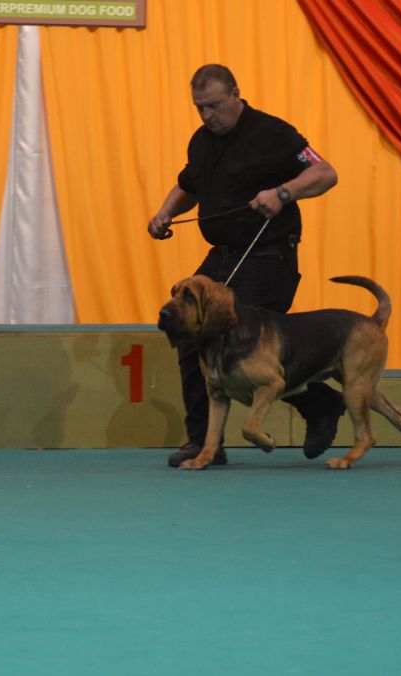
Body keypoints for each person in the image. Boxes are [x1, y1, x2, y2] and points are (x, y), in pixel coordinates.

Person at [148, 64, 345, 468]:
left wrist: (284, 192)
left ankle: (322, 405)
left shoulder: (275, 134)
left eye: (214, 106)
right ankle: (205, 444)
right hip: (220, 257)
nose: (206, 116)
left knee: (252, 354)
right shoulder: (201, 141)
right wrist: (164, 213)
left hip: (267, 257)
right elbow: (188, 186)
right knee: (188, 335)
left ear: (236, 94)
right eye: (199, 108)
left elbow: (326, 173)